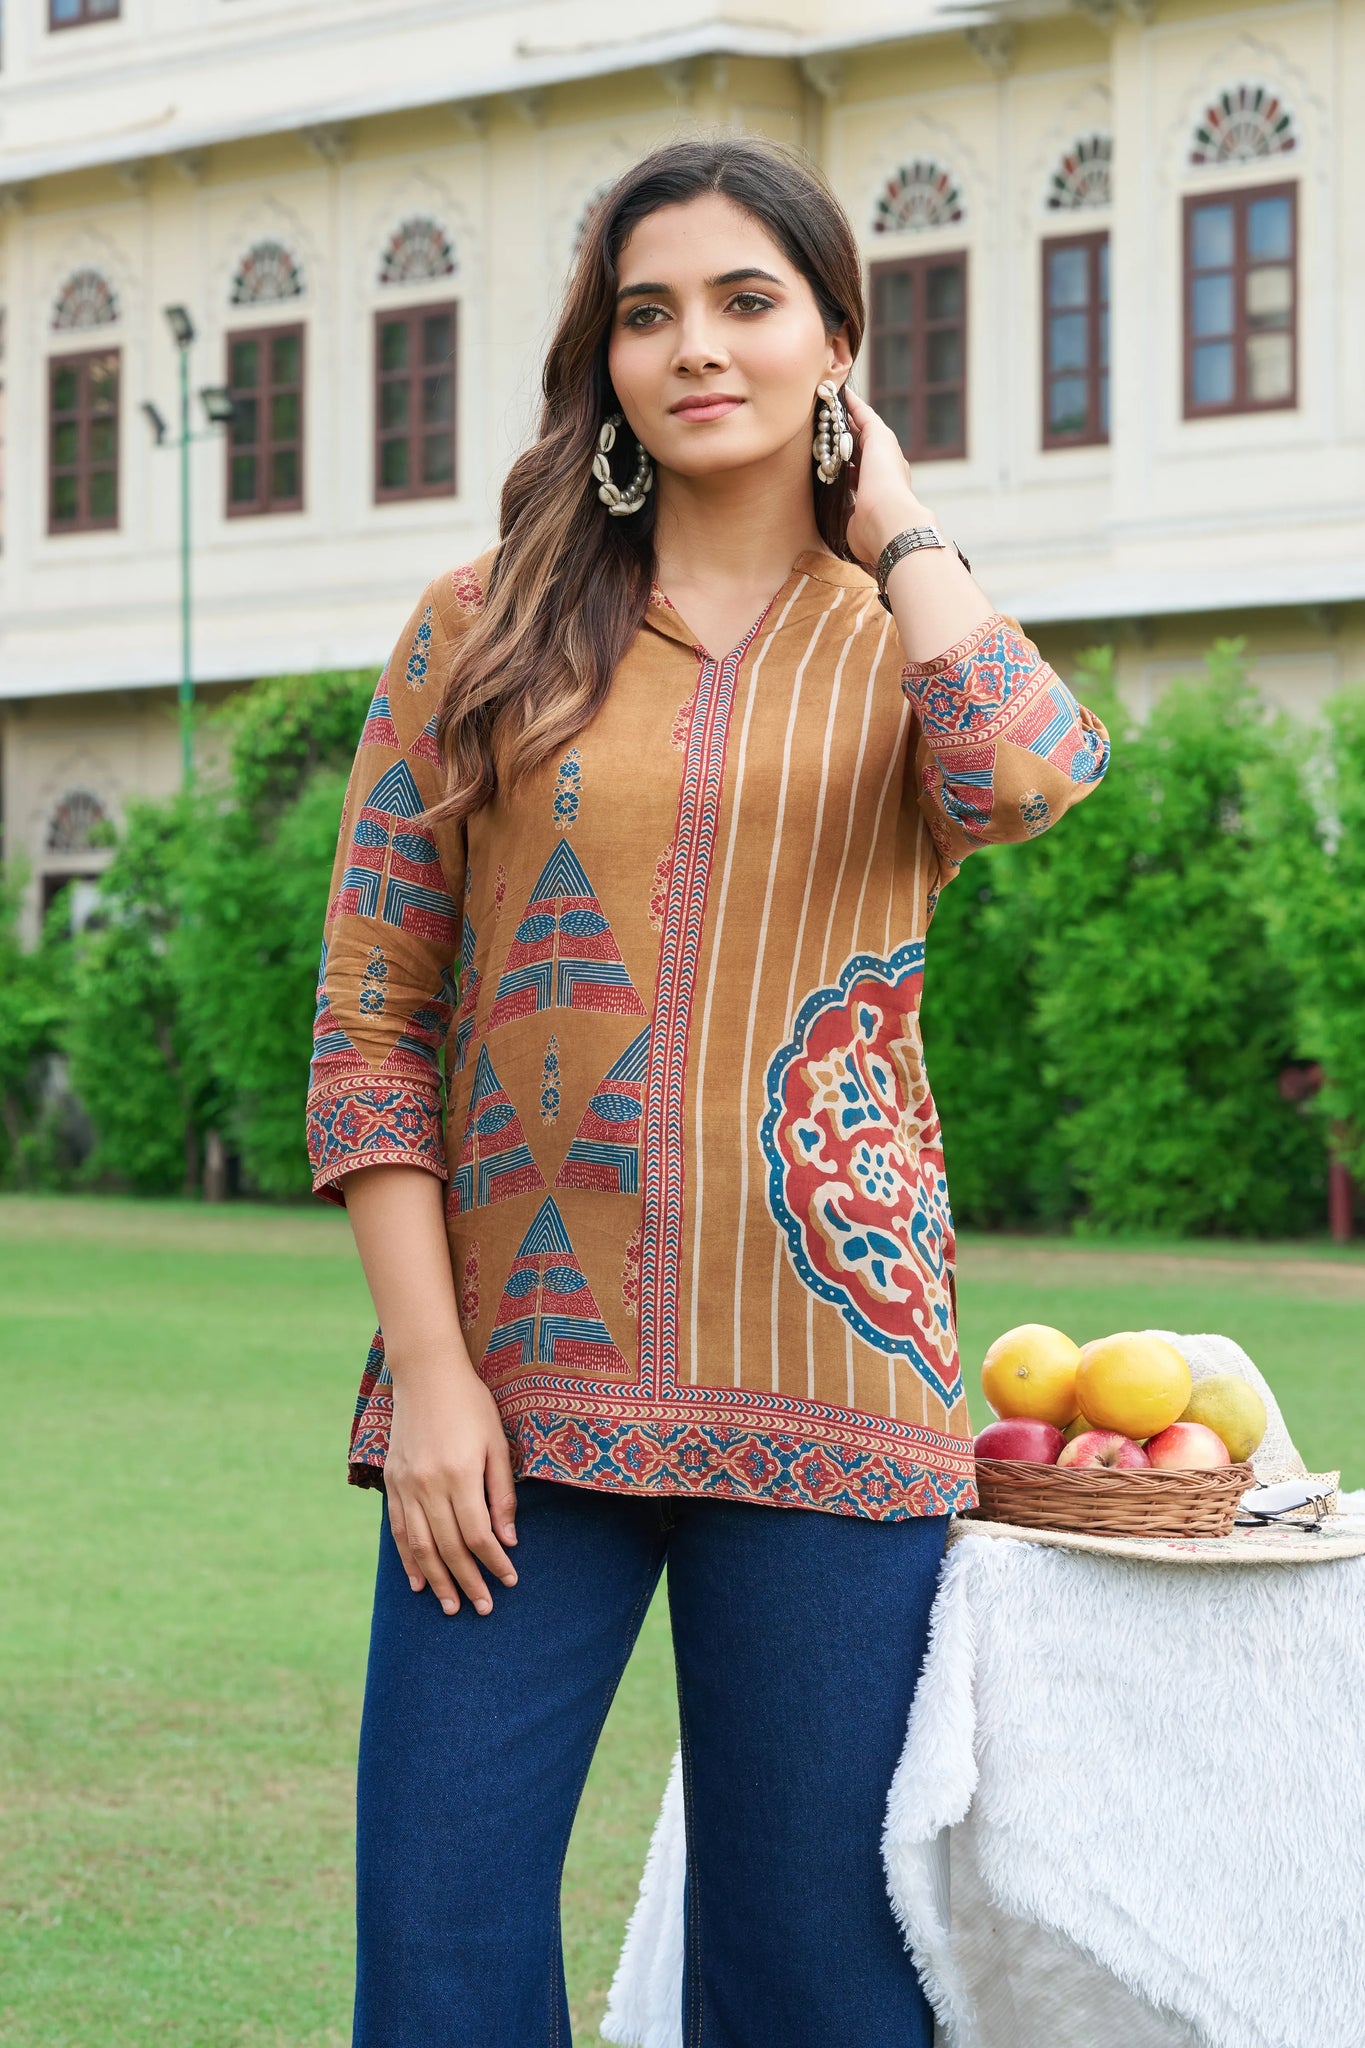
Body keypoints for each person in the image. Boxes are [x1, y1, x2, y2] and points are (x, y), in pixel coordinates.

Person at [308, 135, 1110, 2048]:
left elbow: (1023, 778)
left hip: (835, 1384)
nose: (694, 348)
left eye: (748, 302)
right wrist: (429, 1378)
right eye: (645, 312)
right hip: (518, 1394)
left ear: (836, 336)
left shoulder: (910, 637)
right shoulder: (478, 628)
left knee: (815, 1972)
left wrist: (892, 519)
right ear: (600, 357)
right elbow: (370, 1024)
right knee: (436, 1944)